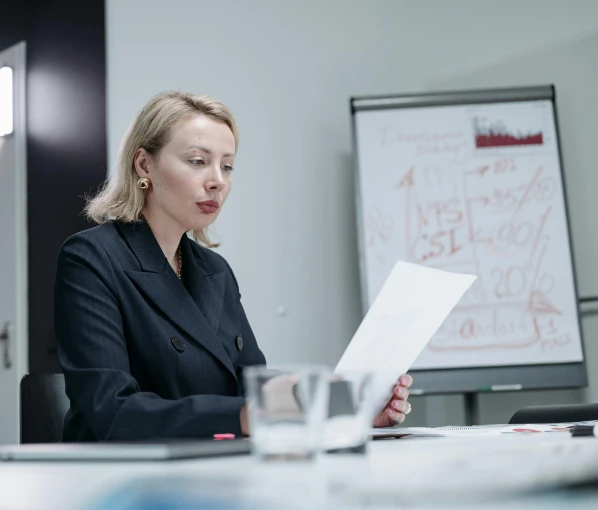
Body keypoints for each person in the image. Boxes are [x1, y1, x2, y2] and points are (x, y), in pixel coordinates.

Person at [54, 91, 412, 442]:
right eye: (198, 161)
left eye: (227, 166)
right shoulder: (91, 257)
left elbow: (252, 382)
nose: (218, 181)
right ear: (144, 164)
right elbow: (111, 410)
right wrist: (243, 416)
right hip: (119, 482)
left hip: (212, 469)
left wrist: (348, 411)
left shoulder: (214, 270)